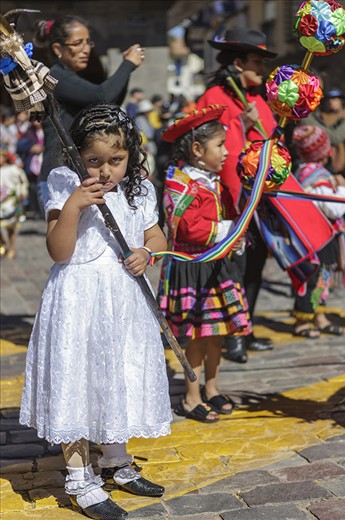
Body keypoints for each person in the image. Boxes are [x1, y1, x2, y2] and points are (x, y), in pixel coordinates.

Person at [19, 103, 172, 520]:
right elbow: (59, 250)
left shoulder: (139, 187)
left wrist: (146, 252)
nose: (106, 171)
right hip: (78, 297)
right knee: (78, 379)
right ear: (76, 156)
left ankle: (115, 461)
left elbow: (155, 235)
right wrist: (73, 206)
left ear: (131, 155)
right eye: (94, 161)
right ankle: (80, 478)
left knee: (117, 376)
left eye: (116, 161)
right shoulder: (64, 181)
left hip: (122, 300)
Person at [158, 105, 252, 423]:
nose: (226, 152)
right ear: (198, 150)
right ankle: (191, 396)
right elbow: (189, 227)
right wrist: (228, 230)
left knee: (216, 332)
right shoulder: (180, 185)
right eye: (220, 145)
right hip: (192, 267)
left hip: (216, 265)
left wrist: (236, 238)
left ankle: (211, 387)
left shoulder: (212, 182)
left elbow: (227, 215)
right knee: (197, 334)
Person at [196, 27, 278, 360]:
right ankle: (232, 335)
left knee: (256, 265)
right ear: (237, 62)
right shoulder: (213, 98)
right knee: (235, 268)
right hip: (230, 203)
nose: (262, 69)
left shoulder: (260, 98)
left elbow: (272, 143)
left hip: (261, 199)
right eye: (257, 62)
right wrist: (241, 125)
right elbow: (203, 146)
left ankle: (246, 328)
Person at [33, 15, 145, 212]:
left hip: (76, 174)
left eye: (88, 42)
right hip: (61, 177)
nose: (86, 49)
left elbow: (108, 104)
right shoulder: (54, 76)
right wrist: (127, 65)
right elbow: (102, 96)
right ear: (58, 49)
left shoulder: (68, 76)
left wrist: (126, 70)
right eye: (78, 43)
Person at [291, 125, 345, 337]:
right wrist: (341, 187)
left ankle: (318, 315)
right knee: (314, 279)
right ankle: (302, 320)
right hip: (319, 239)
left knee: (322, 278)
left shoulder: (303, 171)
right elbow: (334, 208)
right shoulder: (317, 177)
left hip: (314, 237)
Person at [0, 145, 29, 259]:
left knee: (10, 227)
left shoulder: (14, 170)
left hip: (10, 203)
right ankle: (3, 244)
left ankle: (12, 247)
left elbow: (23, 182)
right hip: (1, 204)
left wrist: (23, 192)